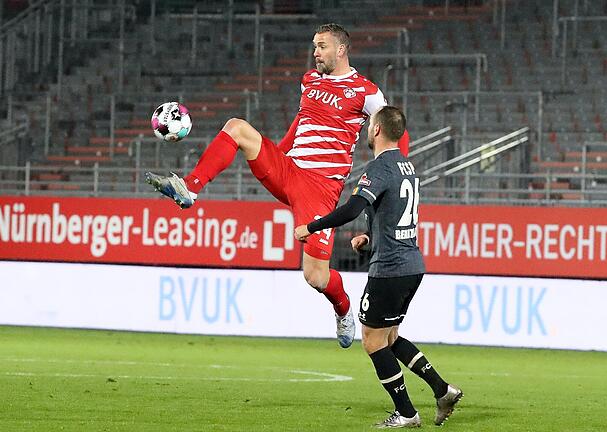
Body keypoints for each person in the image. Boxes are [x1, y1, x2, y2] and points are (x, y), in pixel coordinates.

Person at [145, 23, 409, 349]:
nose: (315, 52)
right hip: (289, 170)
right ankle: (190, 187)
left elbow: (393, 128)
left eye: (322, 46)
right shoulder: (309, 81)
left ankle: (342, 310)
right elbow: (302, 122)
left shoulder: (365, 92)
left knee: (315, 276)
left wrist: (396, 169)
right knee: (237, 128)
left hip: (320, 188)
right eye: (314, 45)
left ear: (341, 50)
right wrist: (275, 153)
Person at [295, 106, 463, 428]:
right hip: (411, 264)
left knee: (372, 339)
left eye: (369, 126)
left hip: (390, 269)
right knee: (389, 337)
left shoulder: (380, 168)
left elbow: (353, 207)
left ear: (376, 130)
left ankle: (407, 413)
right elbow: (398, 217)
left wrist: (312, 227)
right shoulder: (408, 167)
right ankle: (443, 391)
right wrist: (369, 239)